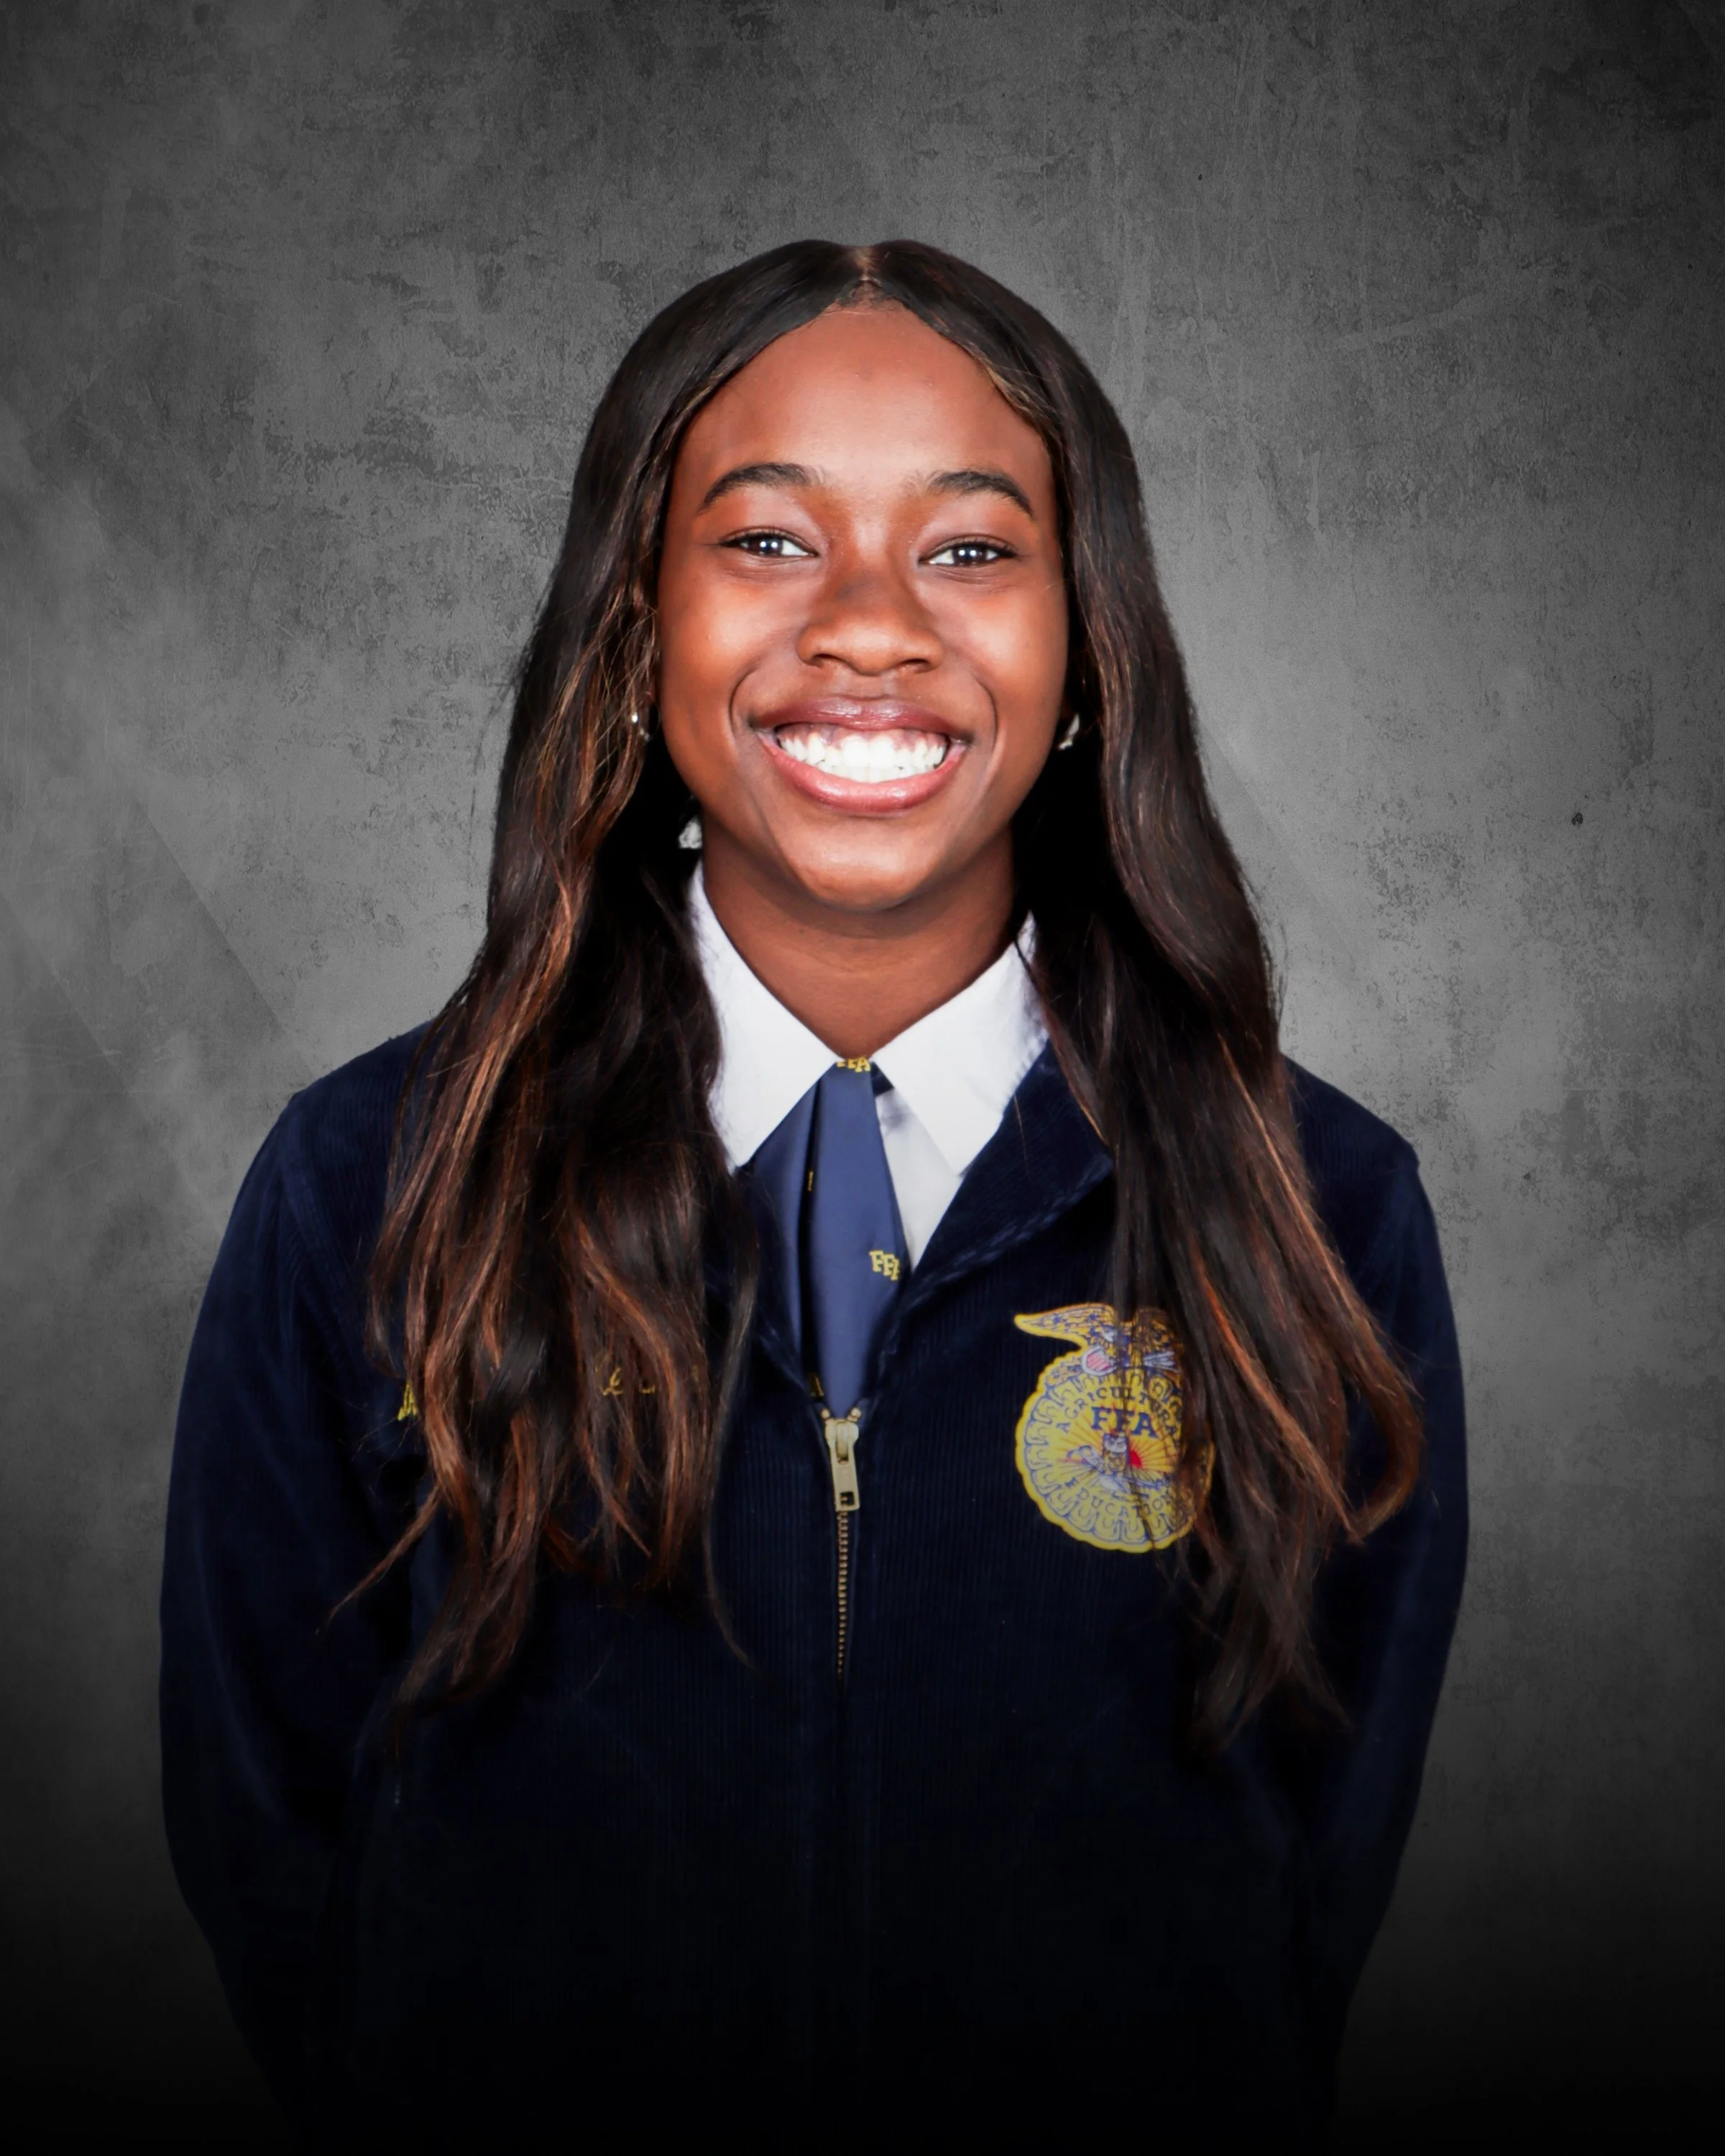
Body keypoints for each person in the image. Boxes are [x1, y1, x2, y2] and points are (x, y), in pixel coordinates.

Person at [160, 240, 1466, 2151]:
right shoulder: (370, 1188)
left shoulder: (1318, 1208)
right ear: (635, 625)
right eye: (768, 541)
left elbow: (1316, 1853)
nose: (870, 625)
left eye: (968, 548)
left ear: (1088, 649)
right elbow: (269, 1821)